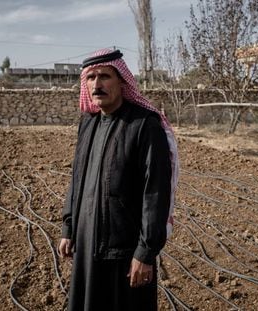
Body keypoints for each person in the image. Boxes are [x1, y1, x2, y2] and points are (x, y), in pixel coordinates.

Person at [58, 48, 178, 311]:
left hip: (125, 251)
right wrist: (69, 227)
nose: (97, 85)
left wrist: (145, 253)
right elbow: (77, 177)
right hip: (86, 242)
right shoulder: (88, 123)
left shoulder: (144, 125)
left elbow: (155, 193)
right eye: (91, 78)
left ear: (122, 81)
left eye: (105, 76)